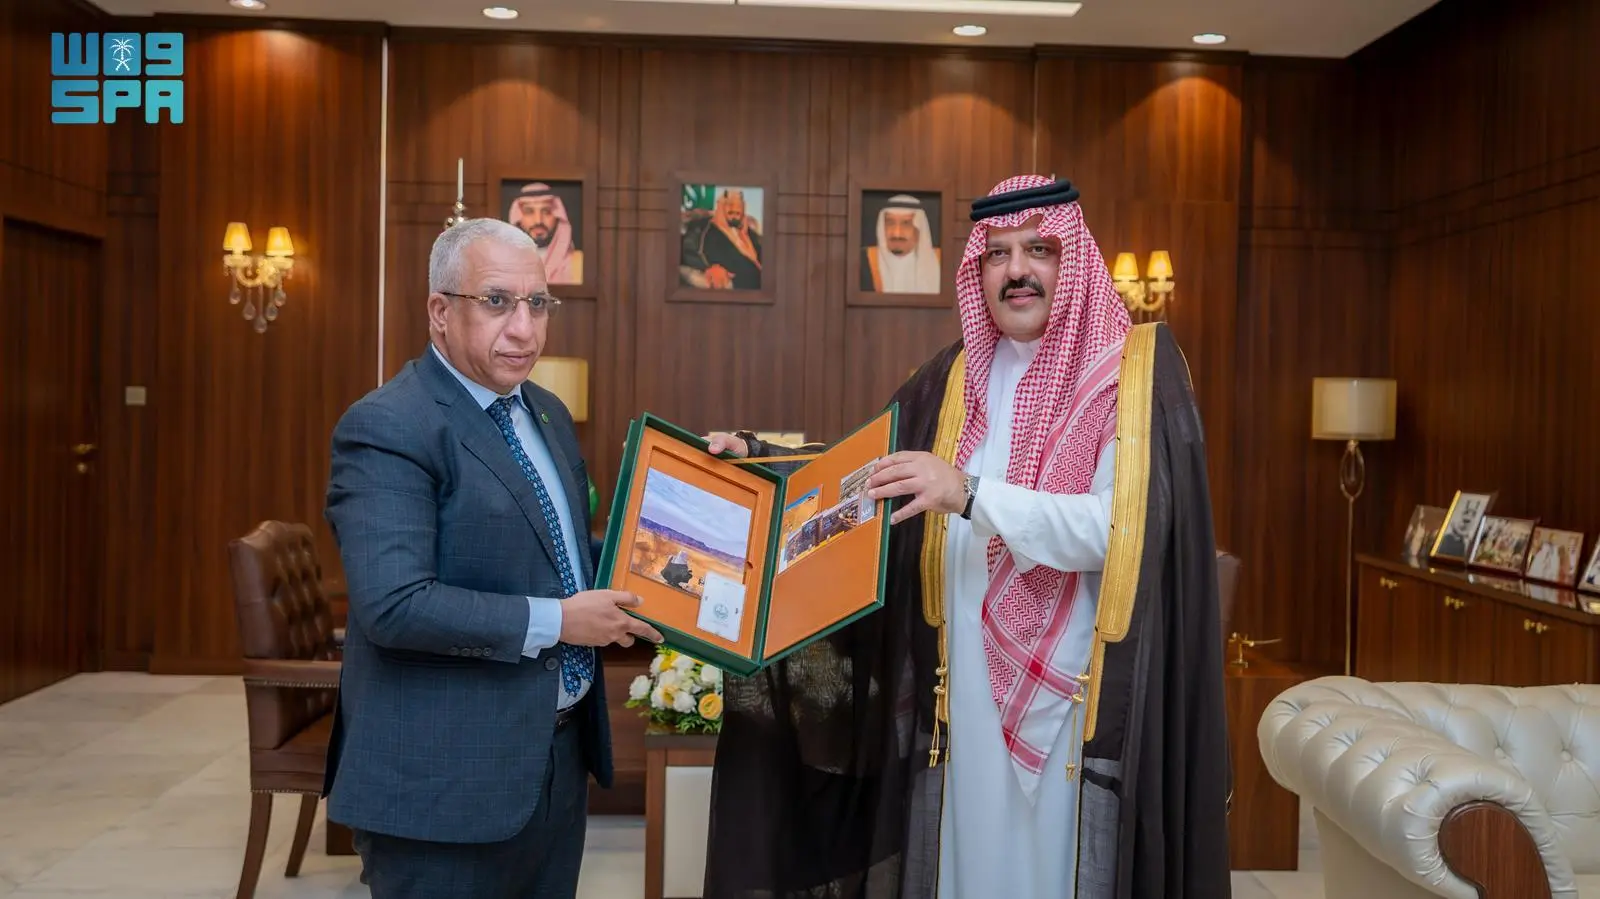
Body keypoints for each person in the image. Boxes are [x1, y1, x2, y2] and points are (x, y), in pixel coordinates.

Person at [701, 175, 1231, 899]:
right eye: (997, 254)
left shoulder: (1130, 374)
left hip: (1075, 698)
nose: (1017, 271)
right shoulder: (952, 378)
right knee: (968, 863)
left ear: (1072, 258)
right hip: (961, 691)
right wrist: (762, 461)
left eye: (1038, 250)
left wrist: (969, 493)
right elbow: (871, 470)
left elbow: (1117, 530)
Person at [322, 217, 662, 899]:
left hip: (554, 764)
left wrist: (668, 557)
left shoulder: (545, 412)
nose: (524, 329)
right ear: (440, 311)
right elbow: (395, 605)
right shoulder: (390, 424)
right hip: (442, 788)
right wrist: (560, 621)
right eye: (498, 301)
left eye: (538, 303)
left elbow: (562, 551)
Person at [680, 188, 762, 290]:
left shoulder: (750, 234)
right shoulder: (704, 227)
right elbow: (689, 249)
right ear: (721, 205)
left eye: (738, 207)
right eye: (730, 205)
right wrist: (708, 268)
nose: (735, 210)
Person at [862, 194, 941, 294]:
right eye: (890, 223)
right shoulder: (865, 260)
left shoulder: (941, 261)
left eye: (906, 223)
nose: (897, 233)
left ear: (919, 228)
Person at [508, 182, 584, 285]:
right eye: (529, 212)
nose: (538, 220)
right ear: (518, 218)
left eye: (546, 211)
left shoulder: (579, 263)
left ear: (557, 216)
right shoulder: (503, 264)